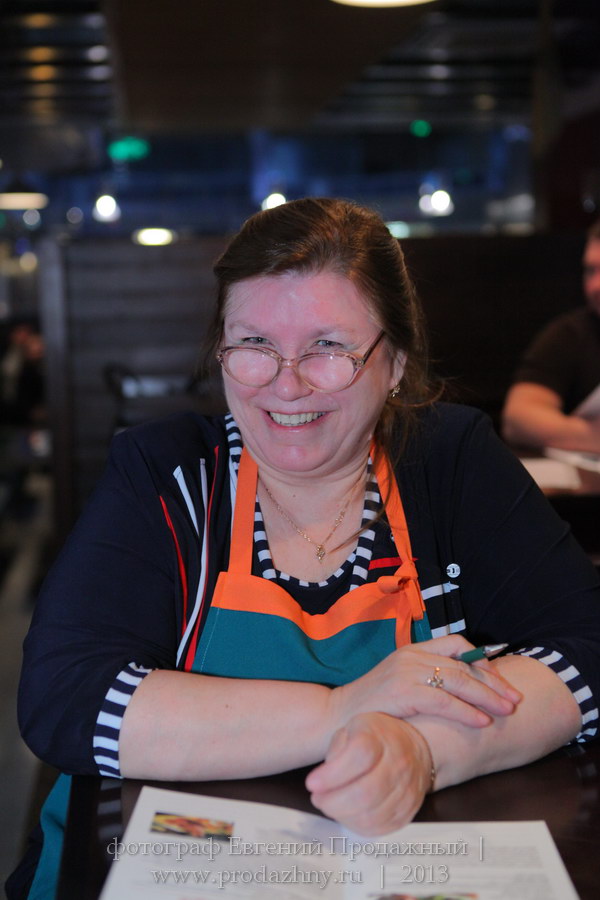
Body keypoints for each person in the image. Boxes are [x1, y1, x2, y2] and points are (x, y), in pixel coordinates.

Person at [11, 199, 600, 897]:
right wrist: (342, 711)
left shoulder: (449, 463)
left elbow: (588, 646)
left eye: (328, 347)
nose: (286, 384)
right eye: (254, 344)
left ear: (394, 362)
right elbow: (66, 698)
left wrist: (419, 751)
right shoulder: (168, 477)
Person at [502, 219, 600, 450]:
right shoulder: (571, 333)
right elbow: (518, 418)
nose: (595, 285)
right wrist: (589, 436)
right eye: (590, 271)